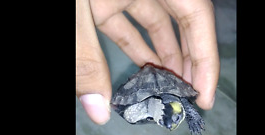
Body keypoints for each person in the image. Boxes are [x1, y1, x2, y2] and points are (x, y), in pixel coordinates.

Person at [76, 0, 220, 125]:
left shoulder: (174, 101)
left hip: (163, 94)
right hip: (148, 95)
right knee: (131, 114)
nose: (170, 126)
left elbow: (181, 104)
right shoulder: (138, 109)